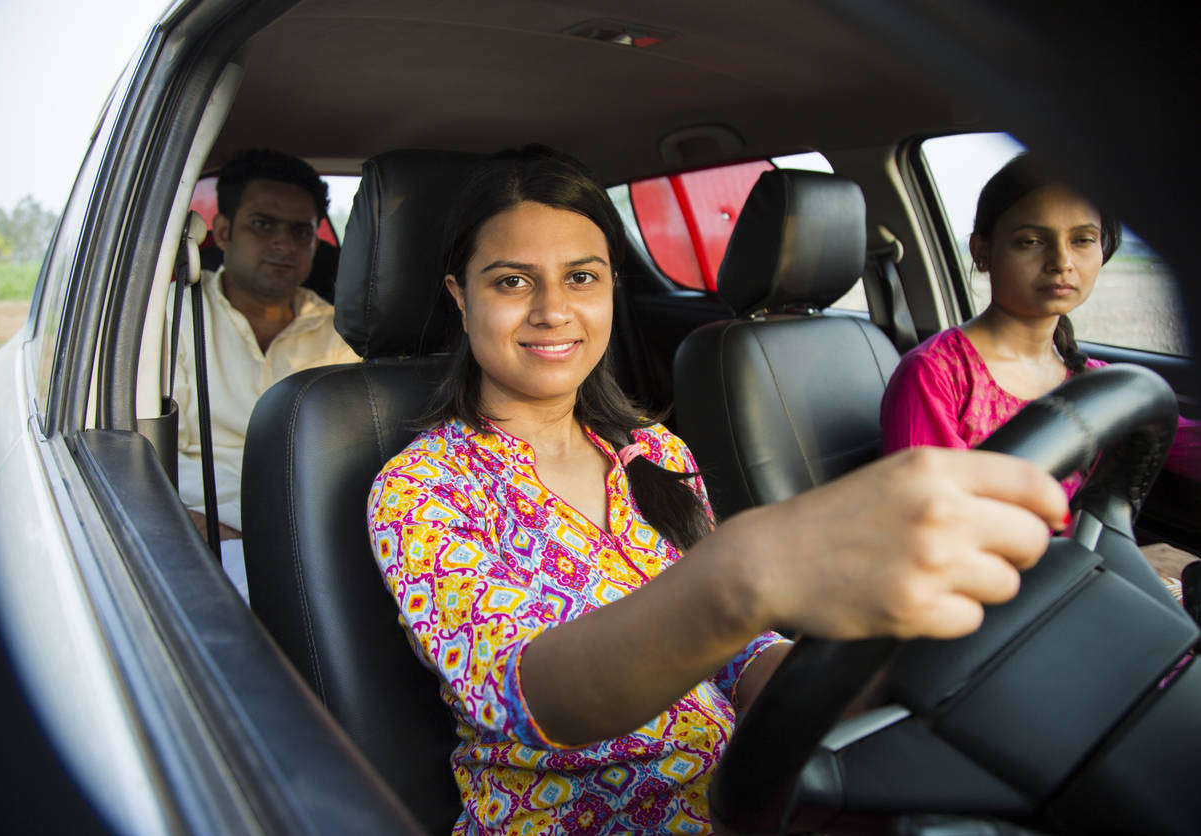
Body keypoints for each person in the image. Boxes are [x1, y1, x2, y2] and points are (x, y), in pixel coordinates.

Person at [367, 146, 1068, 835]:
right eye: (512, 283)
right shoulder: (423, 490)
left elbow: (742, 656)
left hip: (742, 795)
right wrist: (743, 571)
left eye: (581, 278)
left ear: (612, 286)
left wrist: (877, 678)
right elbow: (524, 696)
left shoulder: (655, 451)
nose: (553, 311)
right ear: (461, 297)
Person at [880, 153, 1199, 590]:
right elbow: (939, 535)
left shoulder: (1093, 381)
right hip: (985, 606)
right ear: (983, 251)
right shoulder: (936, 376)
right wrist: (1115, 560)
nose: (1061, 261)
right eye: (1032, 241)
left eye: (1083, 240)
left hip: (1075, 582)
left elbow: (1187, 444)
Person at [171, 149, 359, 598]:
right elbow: (144, 463)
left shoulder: (342, 334)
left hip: (318, 547)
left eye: (300, 231)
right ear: (222, 232)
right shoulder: (172, 318)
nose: (284, 244)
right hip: (197, 543)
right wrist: (201, 533)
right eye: (263, 224)